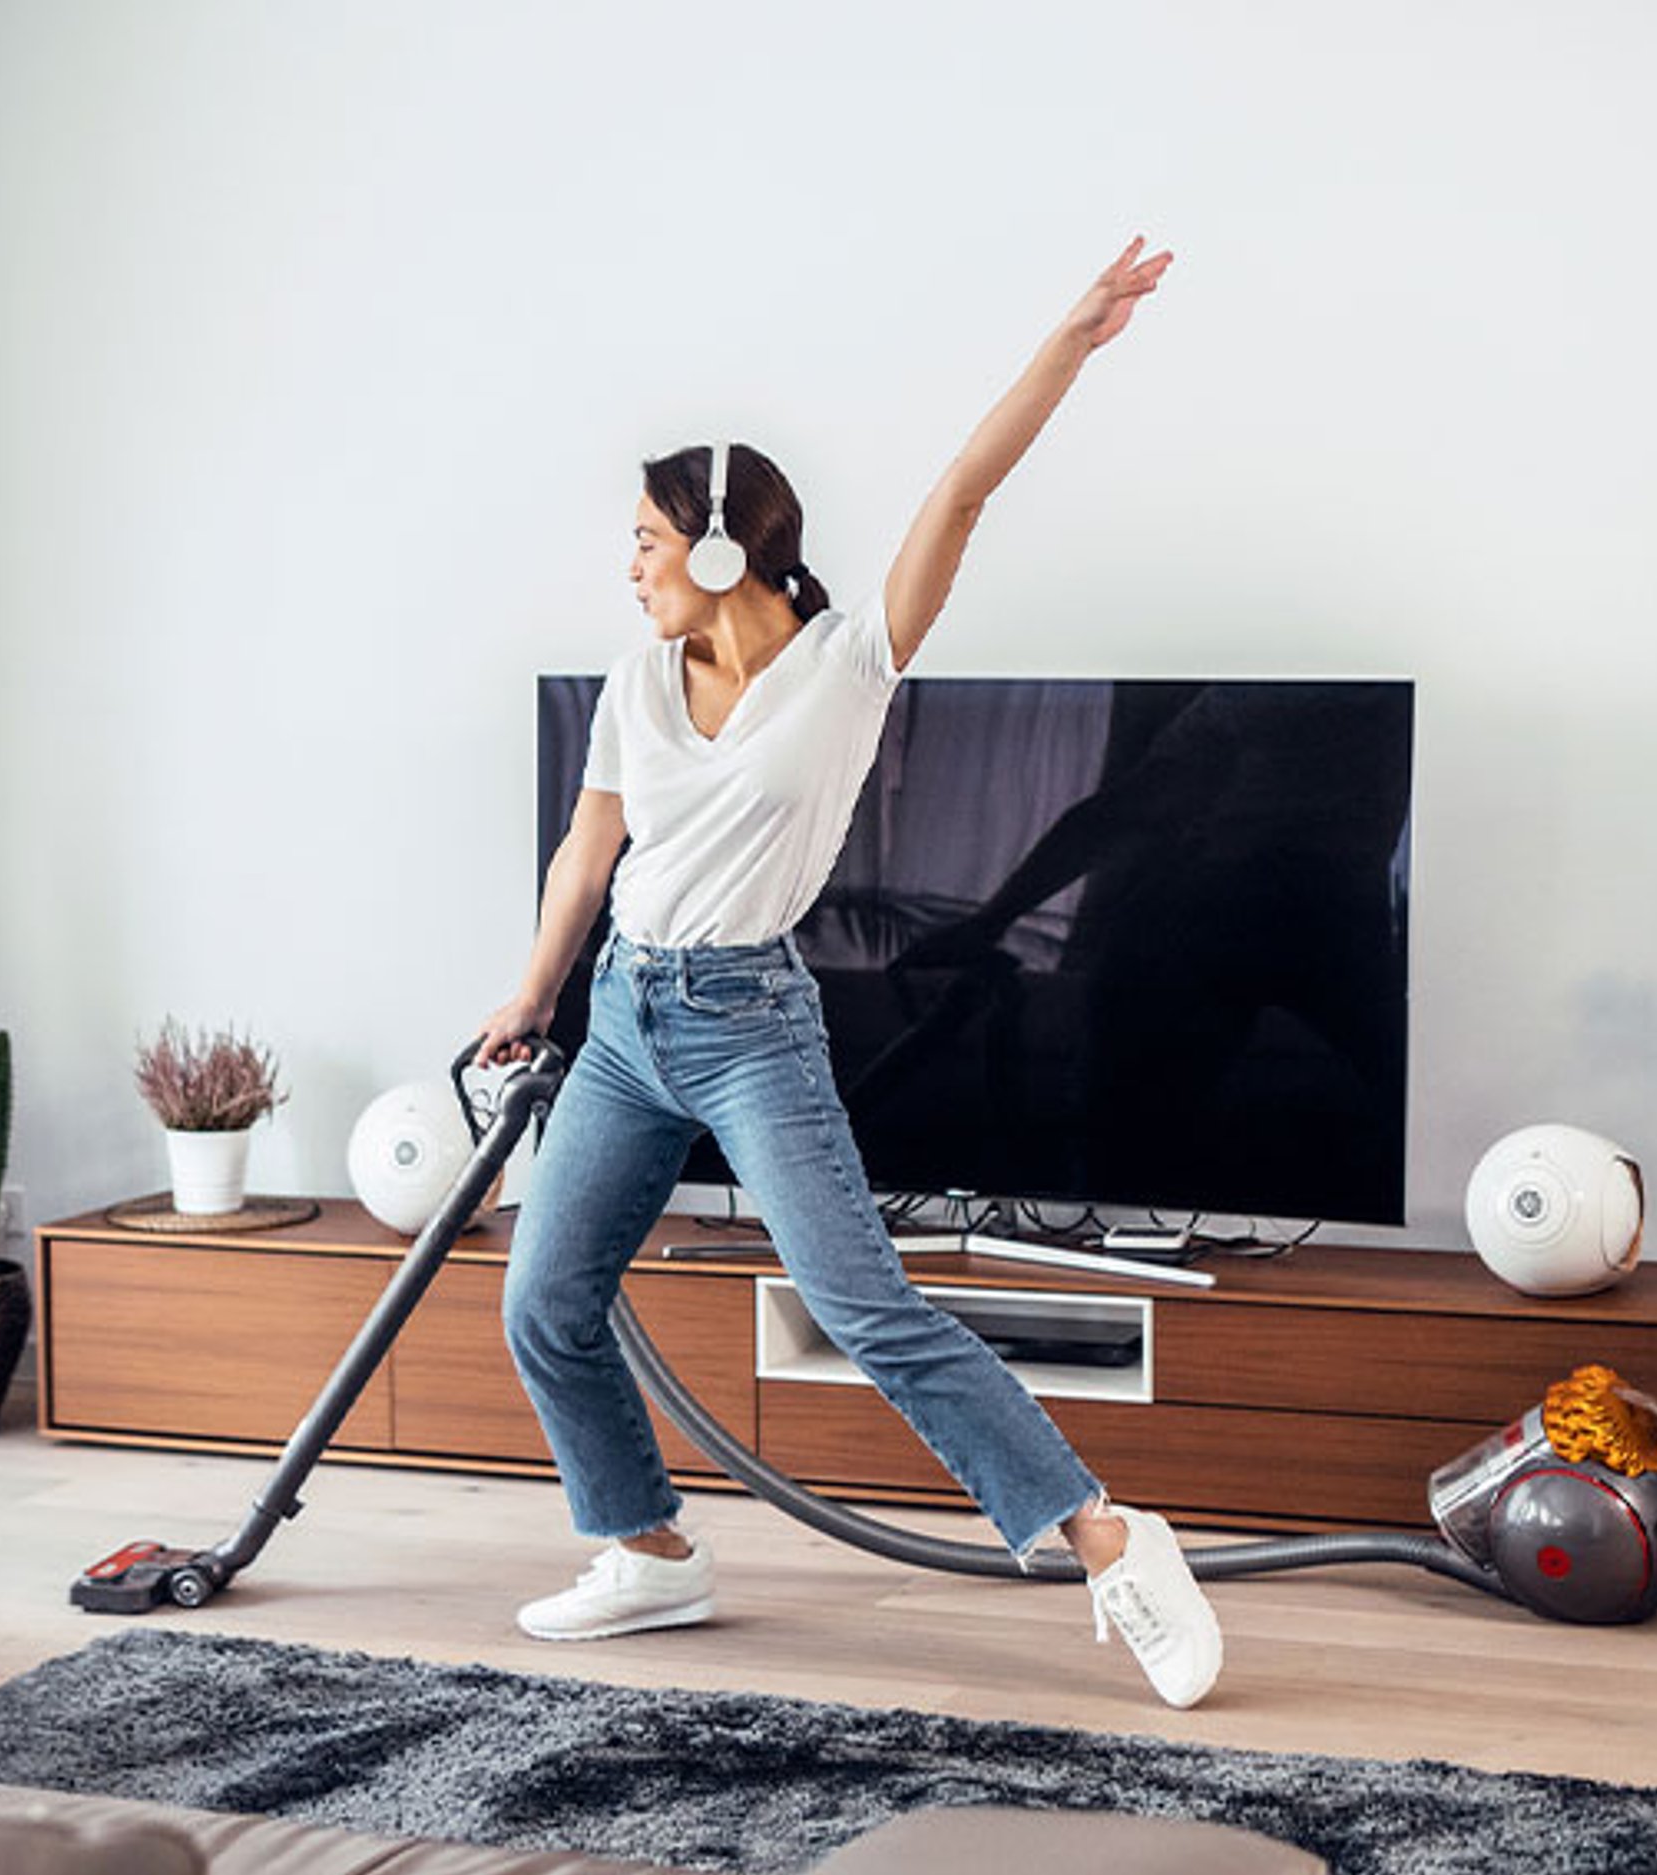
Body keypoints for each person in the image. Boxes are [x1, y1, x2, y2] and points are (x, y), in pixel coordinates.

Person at [474, 238, 1224, 1709]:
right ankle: (647, 1549)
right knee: (545, 1297)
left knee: (863, 1304)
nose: (624, 566)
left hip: (751, 1023)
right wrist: (530, 990)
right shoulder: (636, 680)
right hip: (628, 1014)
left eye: (641, 537)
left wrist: (1069, 341)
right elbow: (588, 849)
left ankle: (1113, 1537)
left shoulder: (850, 663)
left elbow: (960, 492)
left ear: (709, 546)